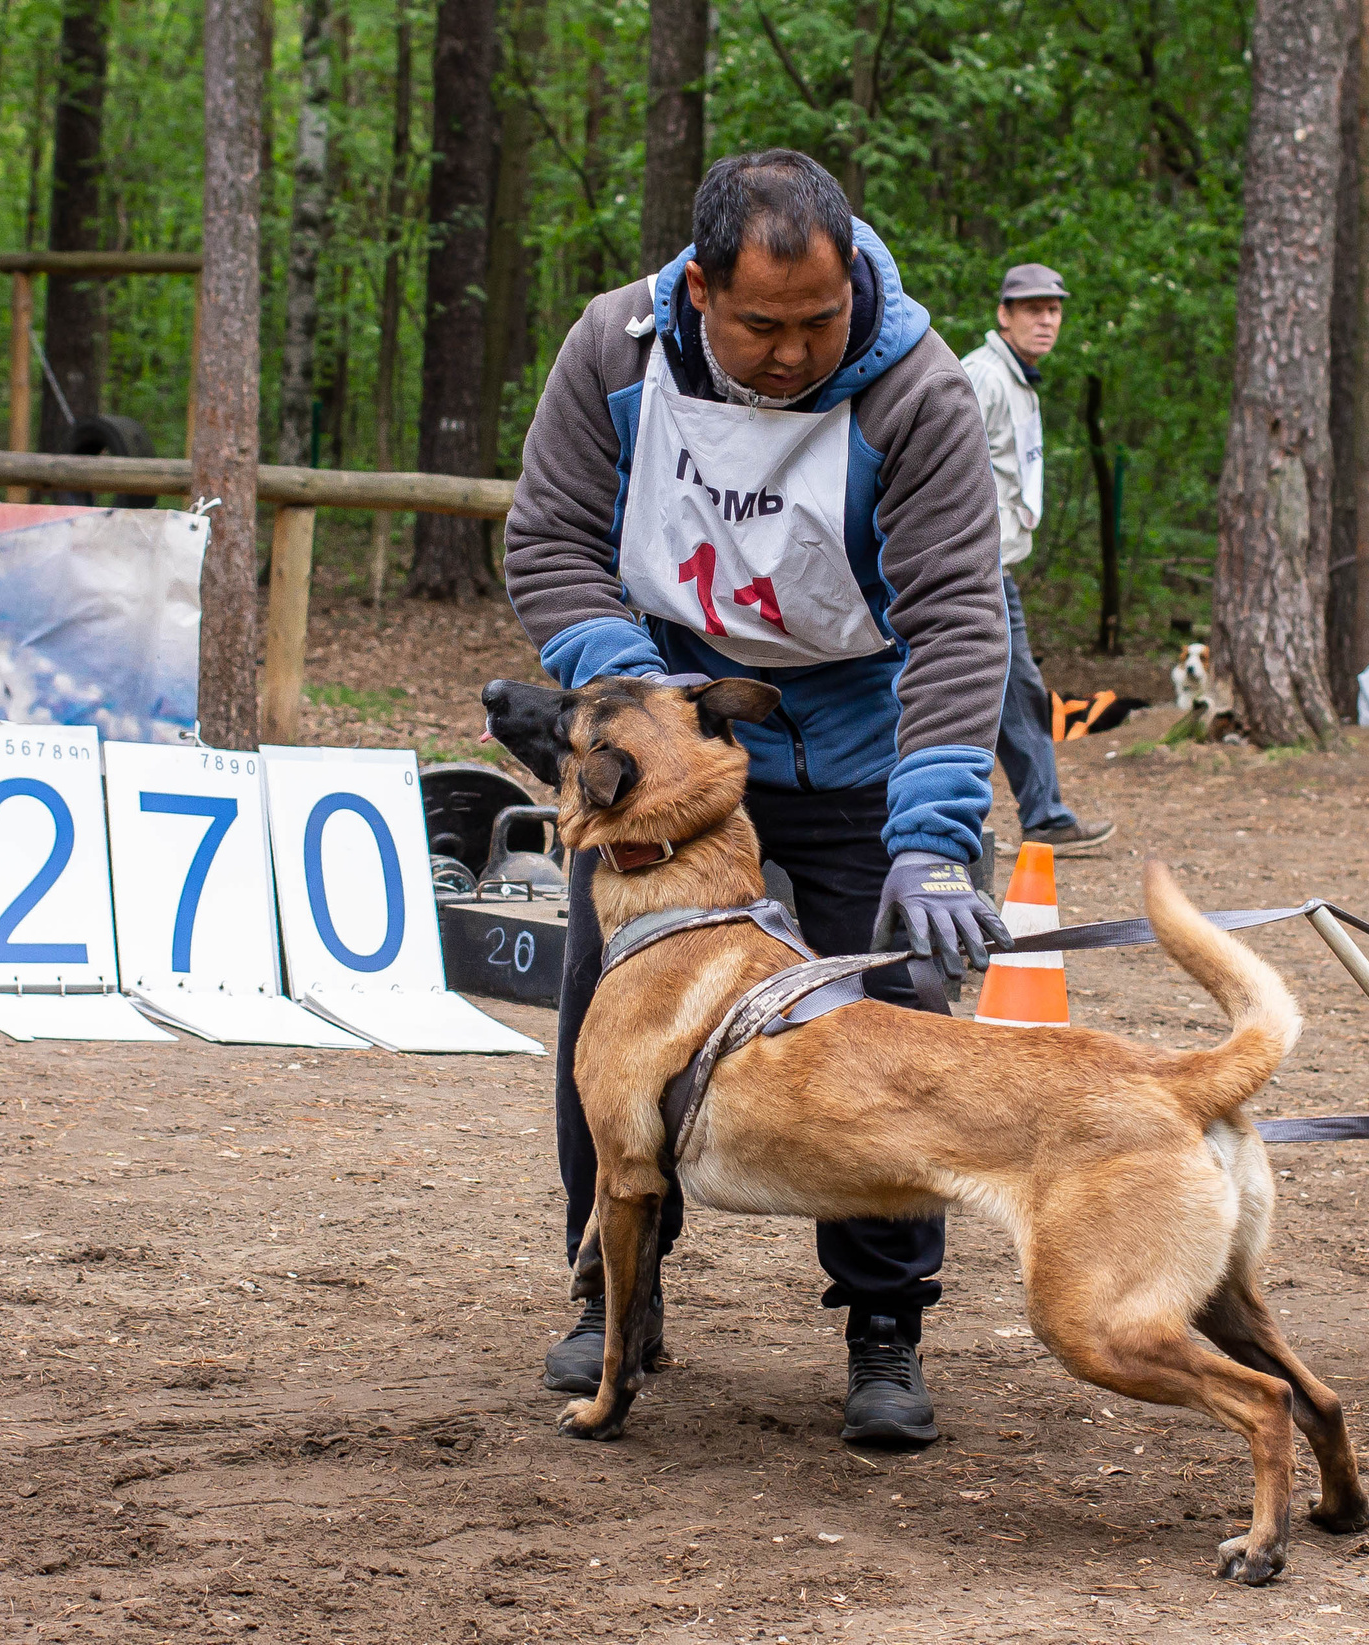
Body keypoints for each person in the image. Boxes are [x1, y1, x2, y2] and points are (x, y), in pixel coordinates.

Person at [502, 150, 1009, 1448]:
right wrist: (634, 699)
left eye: (818, 324)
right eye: (762, 326)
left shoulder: (918, 392)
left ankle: (884, 1327)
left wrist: (936, 842)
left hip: (852, 754)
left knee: (889, 1039)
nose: (790, 356)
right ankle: (616, 1295)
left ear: (854, 290)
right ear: (698, 286)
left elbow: (958, 620)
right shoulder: (612, 351)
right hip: (670, 756)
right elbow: (549, 536)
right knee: (608, 1034)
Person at [959, 265, 1115, 854]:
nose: (1046, 320)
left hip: (995, 565)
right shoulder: (984, 376)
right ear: (1004, 314)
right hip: (971, 568)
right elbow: (940, 461)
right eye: (1032, 309)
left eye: (1053, 309)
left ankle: (1042, 816)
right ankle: (1029, 817)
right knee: (993, 687)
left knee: (1011, 691)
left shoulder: (1017, 380)